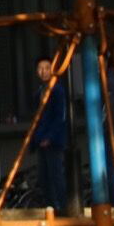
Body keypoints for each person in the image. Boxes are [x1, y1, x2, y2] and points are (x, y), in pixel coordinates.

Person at [30, 56, 69, 214]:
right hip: (41, 139)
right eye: (40, 68)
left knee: (55, 175)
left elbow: (60, 116)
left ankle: (62, 208)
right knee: (44, 177)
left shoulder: (57, 89)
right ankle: (51, 207)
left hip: (53, 141)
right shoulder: (40, 91)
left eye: (47, 68)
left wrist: (50, 137)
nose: (43, 71)